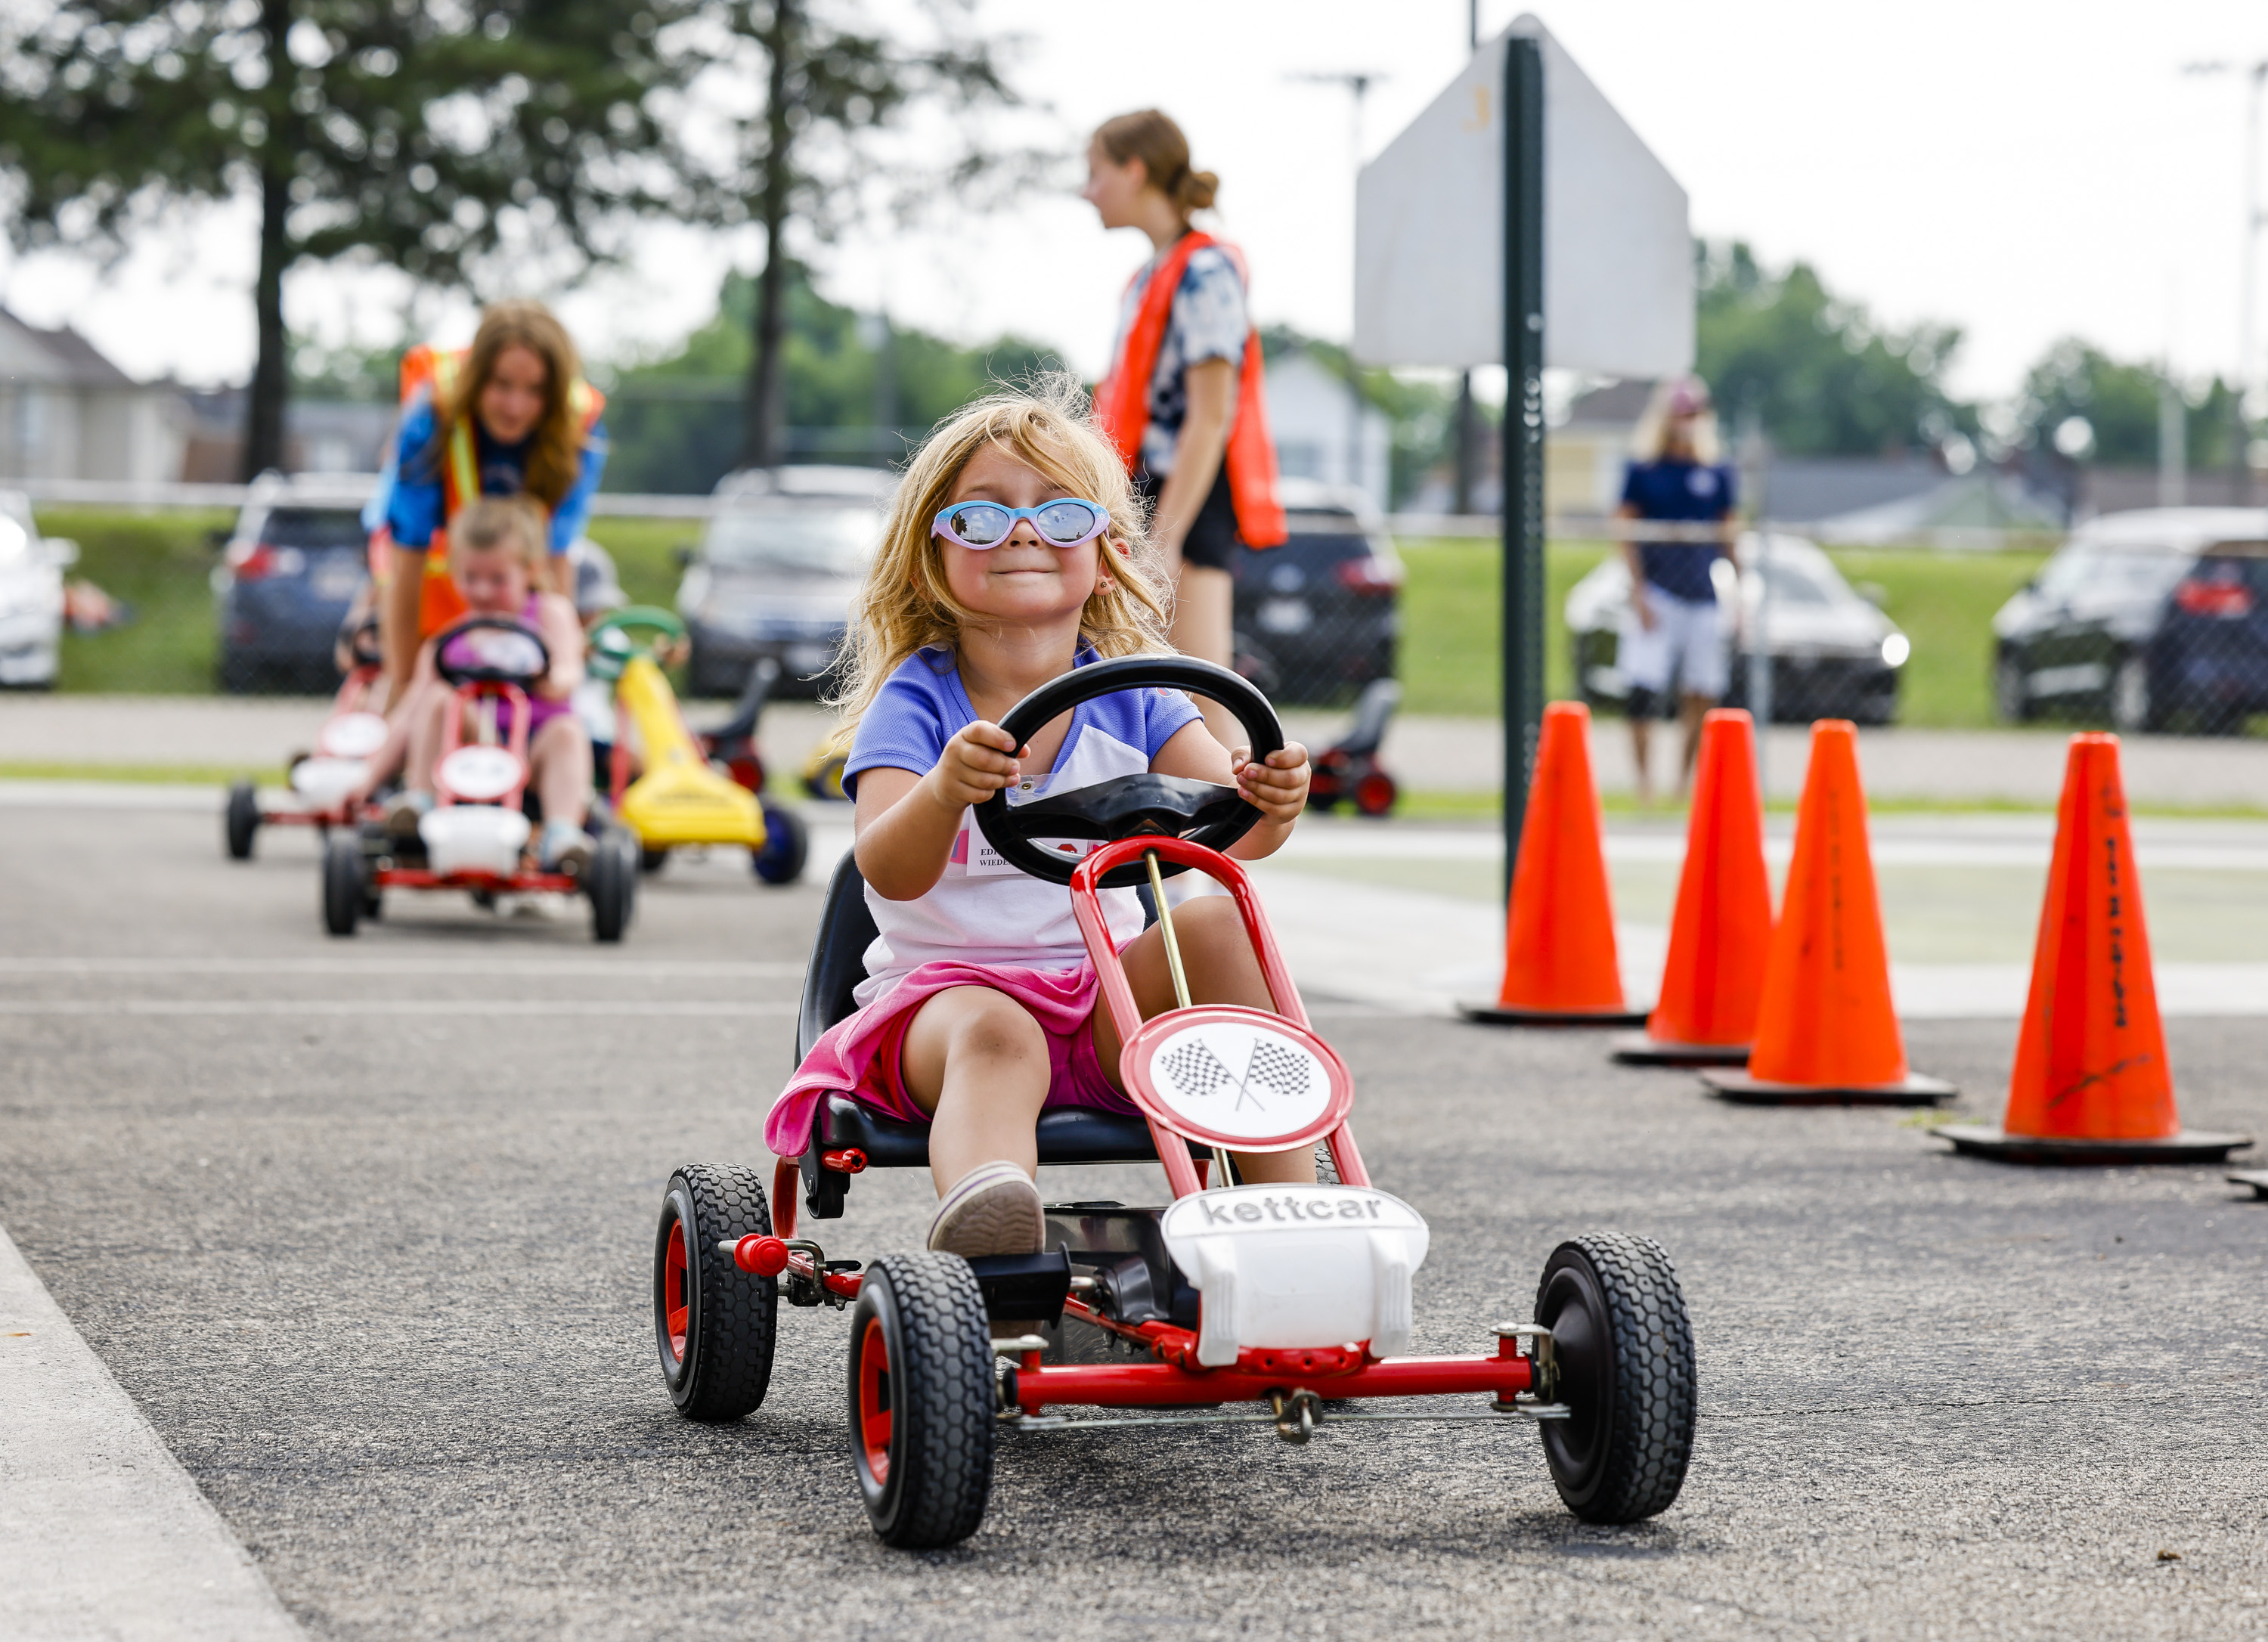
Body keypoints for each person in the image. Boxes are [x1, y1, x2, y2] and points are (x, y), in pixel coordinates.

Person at [764, 381, 1314, 1259]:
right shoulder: (918, 703)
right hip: (945, 1012)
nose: (1023, 532)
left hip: (1105, 1006)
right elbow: (887, 870)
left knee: (1214, 919)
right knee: (999, 1030)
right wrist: (945, 790)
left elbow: (1228, 838)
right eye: (982, 520)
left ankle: (1289, 1221)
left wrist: (1272, 799)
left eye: (1060, 515)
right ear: (927, 559)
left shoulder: (1142, 696)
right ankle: (995, 1225)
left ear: (1105, 550)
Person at [1083, 109, 1285, 743]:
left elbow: (1212, 413)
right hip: (1141, 489)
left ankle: (1216, 842)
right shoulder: (1149, 276)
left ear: (1134, 170)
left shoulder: (1204, 272)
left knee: (1202, 703)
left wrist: (1164, 536)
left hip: (1184, 496)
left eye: (1095, 173)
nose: (1087, 190)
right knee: (1136, 694)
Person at [369, 300, 608, 705]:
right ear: (477, 379)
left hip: (516, 578)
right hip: (434, 569)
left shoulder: (578, 430)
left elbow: (556, 559)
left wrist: (555, 674)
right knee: (406, 683)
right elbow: (407, 557)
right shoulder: (431, 419)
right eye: (501, 385)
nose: (515, 407)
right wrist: (402, 685)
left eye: (535, 390)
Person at [347, 497, 596, 874]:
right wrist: (368, 778)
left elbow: (570, 671)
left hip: (532, 751)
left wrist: (552, 680)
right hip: (472, 754)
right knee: (438, 699)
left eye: (497, 580)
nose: (482, 591)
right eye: (471, 578)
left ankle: (563, 834)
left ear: (529, 570)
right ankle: (420, 803)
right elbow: (407, 715)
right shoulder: (447, 643)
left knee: (568, 732)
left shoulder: (549, 613)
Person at [1616, 376, 1738, 805]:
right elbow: (1625, 532)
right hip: (1659, 592)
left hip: (1702, 593)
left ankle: (1682, 786)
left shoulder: (1716, 470)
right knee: (1643, 691)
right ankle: (1644, 786)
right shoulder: (1645, 470)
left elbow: (1729, 537)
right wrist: (1638, 593)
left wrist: (1737, 599)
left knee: (1700, 692)